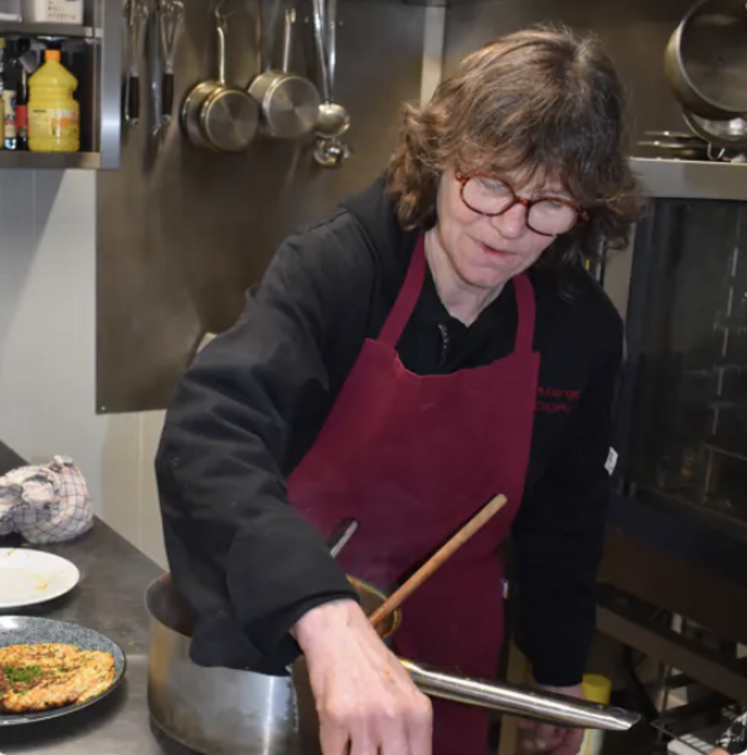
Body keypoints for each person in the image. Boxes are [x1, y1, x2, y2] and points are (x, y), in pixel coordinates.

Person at [155, 22, 641, 755]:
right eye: (491, 185)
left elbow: (565, 516)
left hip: (450, 663)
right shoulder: (339, 268)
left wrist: (559, 670)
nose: (509, 228)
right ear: (442, 158)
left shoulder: (578, 328)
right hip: (295, 646)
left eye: (548, 204)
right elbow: (210, 435)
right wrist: (326, 614)